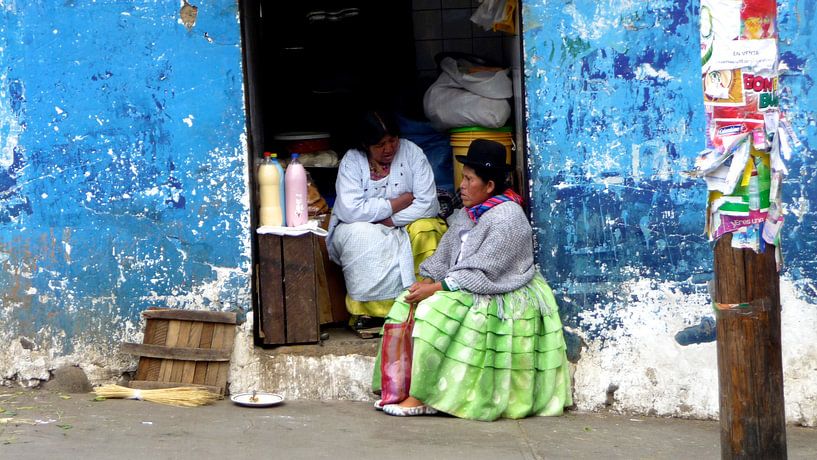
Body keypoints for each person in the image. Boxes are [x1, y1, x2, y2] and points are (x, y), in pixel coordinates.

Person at [371, 138, 573, 421]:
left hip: (499, 290)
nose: (461, 186)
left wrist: (438, 289)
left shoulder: (508, 218)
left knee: (435, 311)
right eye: (463, 178)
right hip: (465, 282)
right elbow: (447, 256)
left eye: (468, 179)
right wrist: (428, 281)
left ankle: (424, 395)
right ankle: (399, 388)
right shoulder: (471, 212)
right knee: (404, 305)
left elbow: (485, 272)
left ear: (489, 186)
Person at [327, 110, 447, 324]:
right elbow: (350, 210)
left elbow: (428, 203)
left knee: (426, 229)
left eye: (392, 141)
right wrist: (397, 203)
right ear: (365, 144)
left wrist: (391, 221)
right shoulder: (352, 161)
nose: (389, 149)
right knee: (360, 236)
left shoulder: (413, 153)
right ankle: (374, 314)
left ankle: (425, 307)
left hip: (407, 222)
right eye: (380, 145)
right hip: (365, 225)